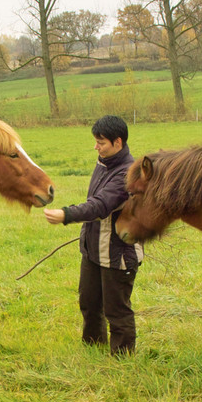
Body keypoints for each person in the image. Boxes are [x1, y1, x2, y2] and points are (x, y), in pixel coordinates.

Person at [44, 115, 143, 355]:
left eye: (101, 142)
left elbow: (99, 206)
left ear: (117, 142)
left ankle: (122, 358)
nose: (96, 147)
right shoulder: (104, 163)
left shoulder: (126, 175)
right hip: (92, 250)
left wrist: (66, 215)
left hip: (117, 254)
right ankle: (92, 347)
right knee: (89, 303)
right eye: (95, 141)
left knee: (116, 310)